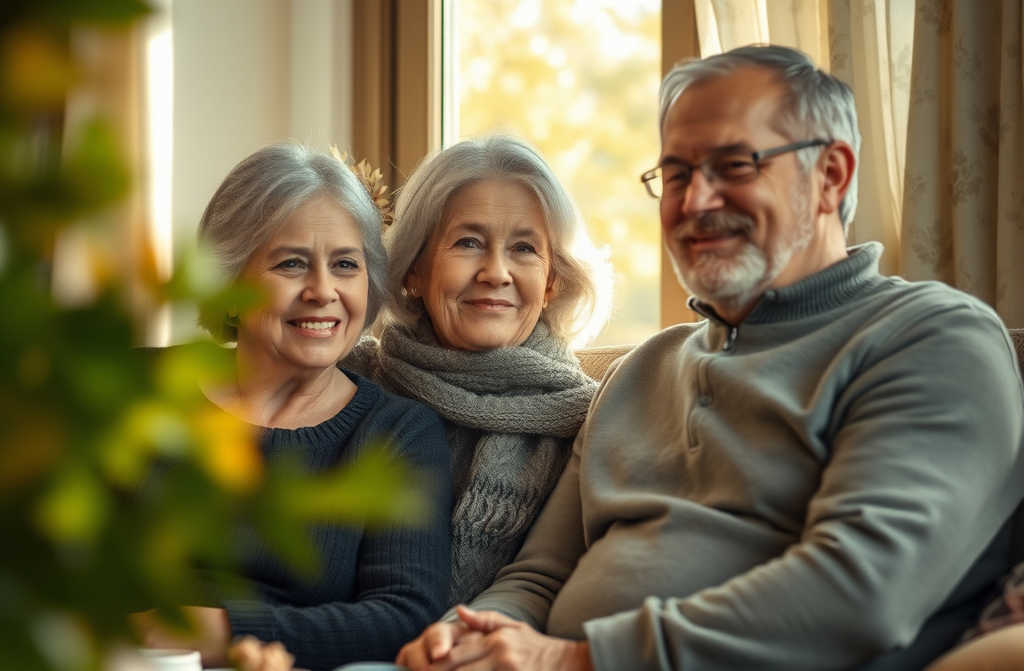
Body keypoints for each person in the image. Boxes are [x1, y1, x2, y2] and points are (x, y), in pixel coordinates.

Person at [396, 44, 1024, 671]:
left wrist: (573, 660)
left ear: (830, 176)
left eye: (733, 165)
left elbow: (862, 591)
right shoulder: (640, 370)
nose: (695, 201)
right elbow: (538, 577)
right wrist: (464, 638)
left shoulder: (934, 339)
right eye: (675, 175)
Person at [130, 143, 453, 671]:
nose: (323, 291)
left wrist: (228, 631)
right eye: (292, 263)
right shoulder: (146, 389)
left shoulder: (397, 433)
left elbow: (404, 615)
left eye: (346, 265)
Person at [342, 134, 609, 606]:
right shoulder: (347, 381)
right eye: (468, 242)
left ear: (551, 281)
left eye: (524, 248)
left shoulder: (593, 420)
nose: (496, 272)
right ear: (413, 271)